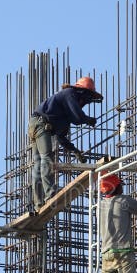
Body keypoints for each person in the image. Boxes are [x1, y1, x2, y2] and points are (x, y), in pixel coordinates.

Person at [28, 77, 102, 211]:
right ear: (82, 92)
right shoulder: (69, 93)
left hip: (37, 125)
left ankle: (38, 204)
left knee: (39, 164)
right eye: (87, 97)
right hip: (40, 125)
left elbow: (61, 137)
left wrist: (74, 150)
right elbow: (78, 118)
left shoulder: (64, 111)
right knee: (46, 159)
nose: (85, 102)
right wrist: (88, 120)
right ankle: (50, 193)